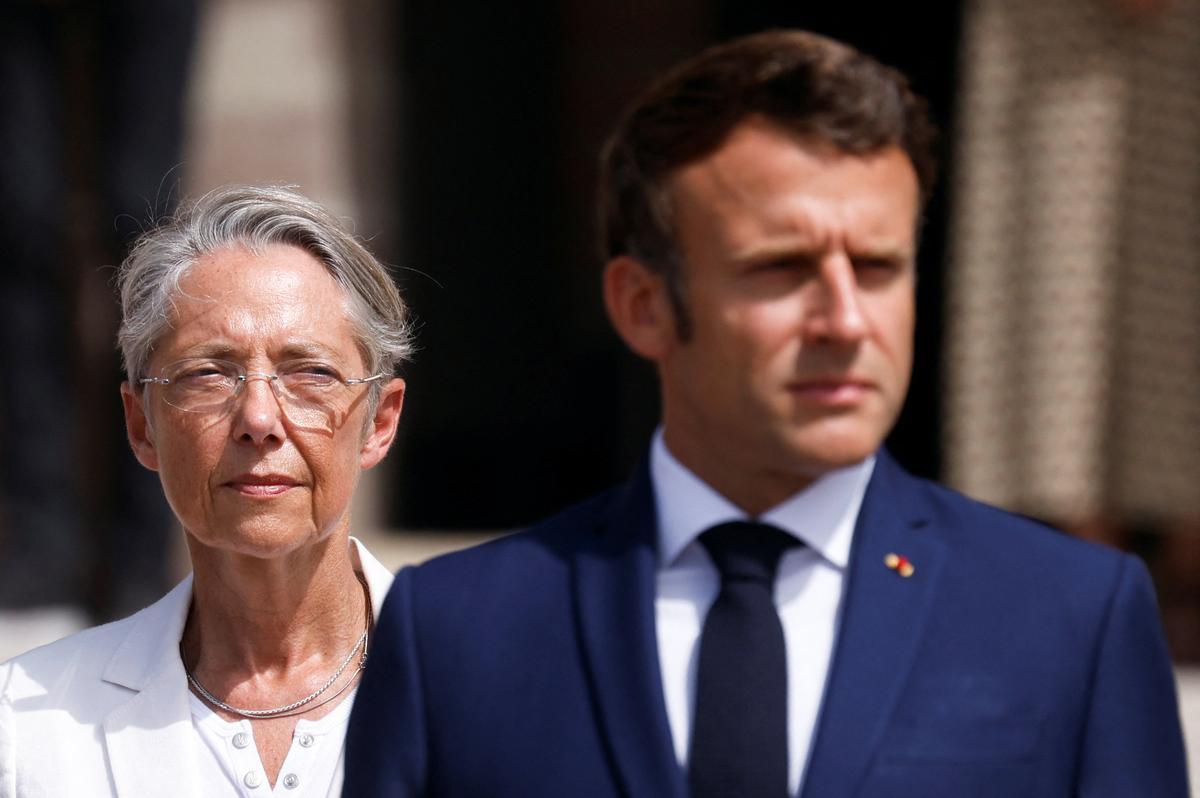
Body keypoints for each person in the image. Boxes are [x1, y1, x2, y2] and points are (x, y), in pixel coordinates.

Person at [343, 30, 1188, 798]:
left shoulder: (1073, 614)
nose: (846, 320)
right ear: (643, 306)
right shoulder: (454, 631)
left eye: (879, 266)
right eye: (781, 268)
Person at [0, 185, 411, 797]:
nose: (259, 419)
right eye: (209, 373)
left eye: (309, 372)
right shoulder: (28, 725)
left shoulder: (494, 686)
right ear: (142, 425)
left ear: (378, 422)